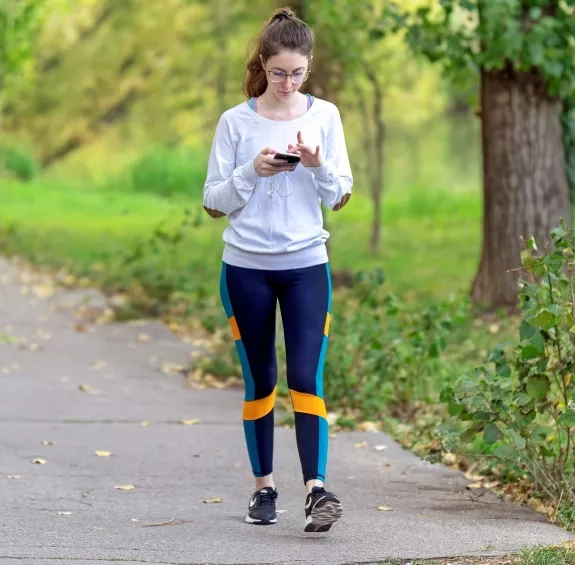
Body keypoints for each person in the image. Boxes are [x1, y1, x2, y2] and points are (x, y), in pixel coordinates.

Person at [202, 6, 353, 533]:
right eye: (278, 72)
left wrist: (316, 164)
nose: (287, 83)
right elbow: (213, 202)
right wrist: (252, 169)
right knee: (260, 378)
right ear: (262, 66)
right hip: (245, 268)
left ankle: (317, 491)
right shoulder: (235, 122)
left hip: (307, 265)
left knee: (305, 376)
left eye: (298, 74)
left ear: (309, 69)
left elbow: (340, 196)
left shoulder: (325, 116)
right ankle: (263, 488)